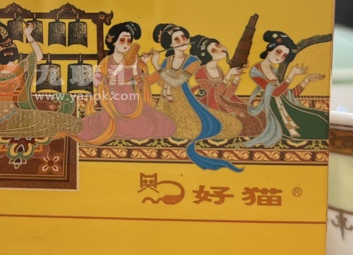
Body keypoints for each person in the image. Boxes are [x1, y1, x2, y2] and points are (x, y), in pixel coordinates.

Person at [149, 22, 241, 172]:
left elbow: (176, 82)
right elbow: (153, 80)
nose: (182, 41)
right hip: (166, 102)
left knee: (230, 125)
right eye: (176, 39)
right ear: (170, 44)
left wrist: (157, 65)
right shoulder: (167, 61)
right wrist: (139, 66)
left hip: (184, 101)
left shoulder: (193, 61)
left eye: (184, 37)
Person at [0, 23, 82, 139]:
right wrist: (28, 35)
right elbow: (38, 55)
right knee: (40, 120)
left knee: (37, 119)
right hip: (4, 114)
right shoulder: (18, 69)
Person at [79, 21, 176, 144]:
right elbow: (98, 82)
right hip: (115, 104)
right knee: (146, 128)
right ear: (112, 40)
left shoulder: (133, 61)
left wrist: (141, 65)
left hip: (134, 103)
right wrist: (112, 78)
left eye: (128, 41)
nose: (125, 44)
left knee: (168, 125)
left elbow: (141, 84)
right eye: (122, 40)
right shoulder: (106, 61)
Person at [242, 30, 328, 148]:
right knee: (318, 125)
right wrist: (292, 74)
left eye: (284, 55)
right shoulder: (256, 71)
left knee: (323, 117)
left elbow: (288, 94)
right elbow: (275, 93)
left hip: (288, 107)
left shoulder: (275, 71)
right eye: (278, 51)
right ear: (270, 48)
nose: (279, 57)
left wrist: (306, 80)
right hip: (277, 112)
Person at [188, 35, 261, 140]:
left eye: (218, 45)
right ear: (207, 56)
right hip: (210, 105)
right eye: (214, 50)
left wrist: (236, 76)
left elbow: (227, 94)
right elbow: (214, 95)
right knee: (242, 119)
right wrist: (228, 75)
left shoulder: (218, 69)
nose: (220, 49)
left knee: (254, 114)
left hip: (224, 101)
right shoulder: (201, 72)